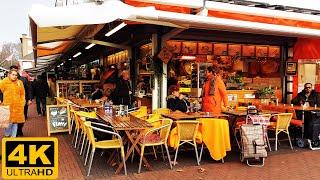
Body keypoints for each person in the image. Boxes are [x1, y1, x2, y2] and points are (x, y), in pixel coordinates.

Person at [0, 69, 25, 137]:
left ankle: (13, 137)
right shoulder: (4, 82)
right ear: (9, 74)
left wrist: (22, 102)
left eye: (16, 75)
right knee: (8, 123)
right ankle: (7, 135)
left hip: (17, 106)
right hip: (7, 106)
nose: (14, 76)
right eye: (13, 74)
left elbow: (22, 93)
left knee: (15, 122)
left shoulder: (19, 82)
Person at [10, 65, 32, 137]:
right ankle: (15, 132)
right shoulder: (6, 81)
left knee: (23, 117)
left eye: (15, 70)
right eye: (12, 70)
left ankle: (19, 129)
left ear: (18, 70)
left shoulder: (23, 79)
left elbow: (28, 89)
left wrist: (29, 99)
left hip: (23, 102)